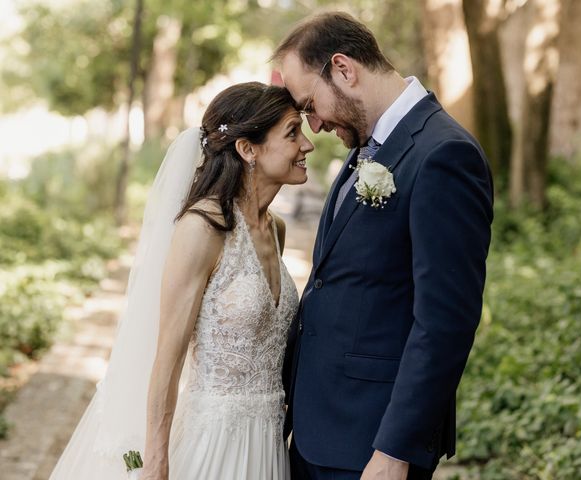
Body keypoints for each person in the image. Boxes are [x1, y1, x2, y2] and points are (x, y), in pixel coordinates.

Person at [49, 82, 314, 480]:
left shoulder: (275, 230)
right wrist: (156, 461)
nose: (307, 145)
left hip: (268, 444)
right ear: (248, 149)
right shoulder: (203, 228)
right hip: (212, 444)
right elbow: (167, 359)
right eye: (293, 132)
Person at [273, 12, 494, 480]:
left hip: (371, 446)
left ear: (344, 69)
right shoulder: (364, 148)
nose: (311, 125)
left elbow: (445, 322)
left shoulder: (443, 154)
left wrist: (394, 450)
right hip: (319, 430)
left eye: (309, 104)